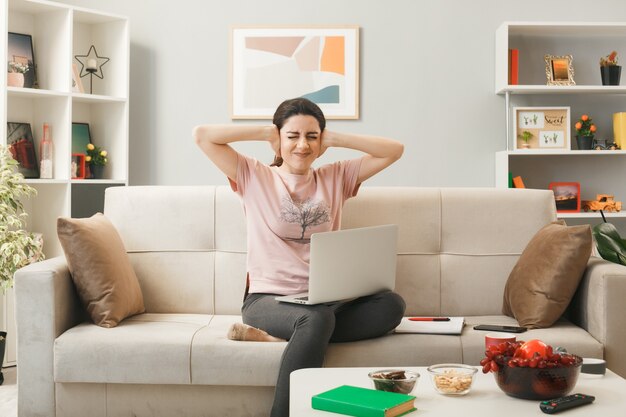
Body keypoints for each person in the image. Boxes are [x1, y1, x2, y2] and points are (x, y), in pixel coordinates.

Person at [193, 97, 406, 417]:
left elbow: (394, 150)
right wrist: (267, 131)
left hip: (325, 299)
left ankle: (287, 339)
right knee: (316, 320)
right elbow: (202, 135)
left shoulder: (336, 177)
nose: (302, 146)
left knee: (392, 305)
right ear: (279, 139)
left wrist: (334, 138)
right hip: (269, 300)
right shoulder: (254, 175)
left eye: (312, 137)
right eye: (292, 136)